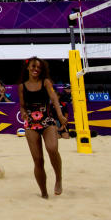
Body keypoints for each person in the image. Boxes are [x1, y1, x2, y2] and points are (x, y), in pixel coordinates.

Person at [18, 57, 69, 198]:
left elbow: (54, 99)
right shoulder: (22, 86)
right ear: (28, 67)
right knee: (38, 159)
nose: (36, 69)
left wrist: (60, 115)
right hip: (30, 123)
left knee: (52, 149)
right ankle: (44, 192)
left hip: (47, 120)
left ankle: (58, 178)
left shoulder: (46, 82)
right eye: (34, 66)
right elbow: (22, 106)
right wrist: (23, 114)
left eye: (39, 67)